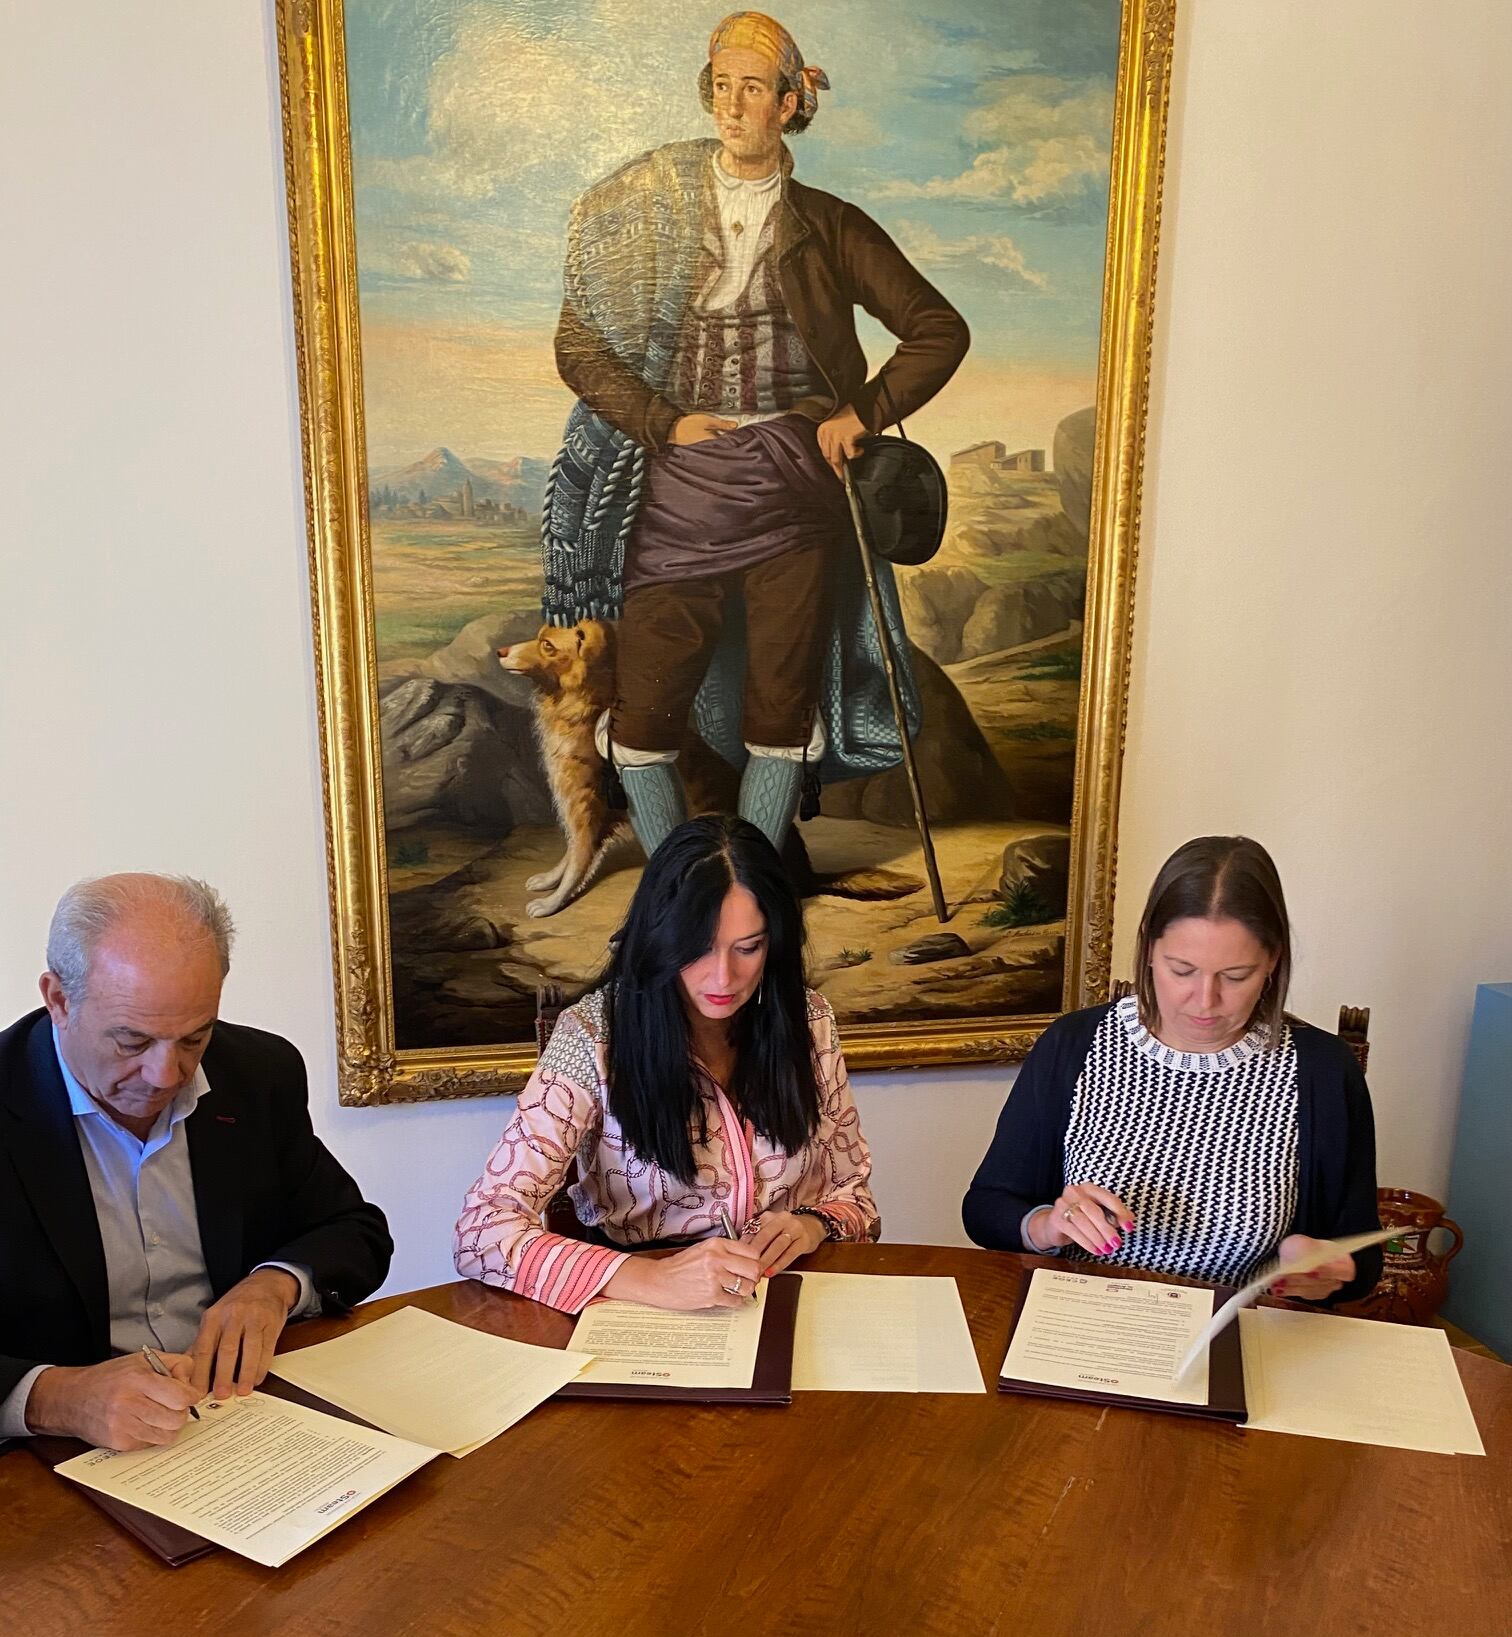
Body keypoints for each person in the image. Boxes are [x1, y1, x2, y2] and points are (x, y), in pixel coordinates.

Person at [543, 10, 969, 854]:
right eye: (722, 87)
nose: (732, 106)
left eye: (752, 90)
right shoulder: (652, 213)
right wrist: (666, 422)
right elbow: (577, 344)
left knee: (782, 706)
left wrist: (859, 413)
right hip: (679, 486)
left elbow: (939, 329)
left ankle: (763, 883)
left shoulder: (832, 223)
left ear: (787, 105)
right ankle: (680, 884)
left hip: (792, 483)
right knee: (642, 715)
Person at [0, 874, 393, 1451]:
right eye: (133, 1042)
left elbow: (354, 1231)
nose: (166, 1076)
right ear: (58, 1000)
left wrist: (276, 1284)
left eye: (193, 1038)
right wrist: (54, 1397)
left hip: (242, 1419)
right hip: (57, 1455)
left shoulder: (258, 1073)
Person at [454, 816, 878, 1312]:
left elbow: (857, 1199)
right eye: (697, 948)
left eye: (749, 948)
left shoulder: (809, 1024)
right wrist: (649, 1278)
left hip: (780, 1294)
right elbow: (482, 1231)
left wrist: (812, 1225)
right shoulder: (592, 1036)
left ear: (775, 942)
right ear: (662, 936)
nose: (724, 976)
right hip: (646, 1308)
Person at [962, 836, 1381, 1303]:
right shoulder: (1075, 1045)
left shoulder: (1322, 1070)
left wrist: (1325, 1264)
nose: (1205, 1001)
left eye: (1236, 976)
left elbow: (1362, 1258)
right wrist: (1048, 1225)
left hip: (1238, 1334)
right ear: (1148, 950)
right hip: (1081, 1327)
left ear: (1273, 961)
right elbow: (985, 1208)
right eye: (1182, 970)